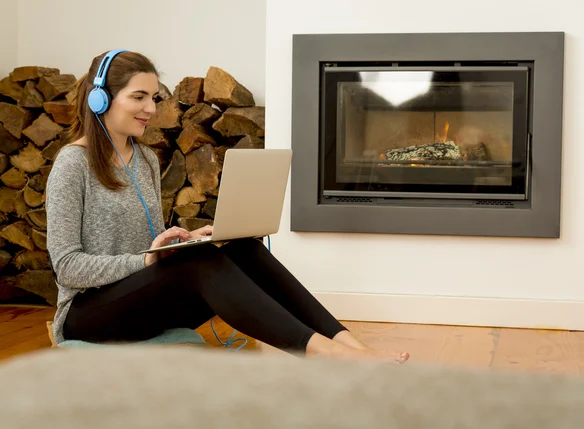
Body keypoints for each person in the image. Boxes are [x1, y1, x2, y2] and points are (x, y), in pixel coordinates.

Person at [46, 49, 410, 363]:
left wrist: (181, 241)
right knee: (200, 265)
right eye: (139, 97)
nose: (151, 109)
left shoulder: (145, 160)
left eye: (154, 98)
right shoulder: (72, 164)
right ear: (101, 99)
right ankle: (326, 354)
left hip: (137, 296)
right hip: (88, 312)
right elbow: (67, 268)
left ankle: (349, 344)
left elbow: (149, 243)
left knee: (244, 250)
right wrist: (147, 260)